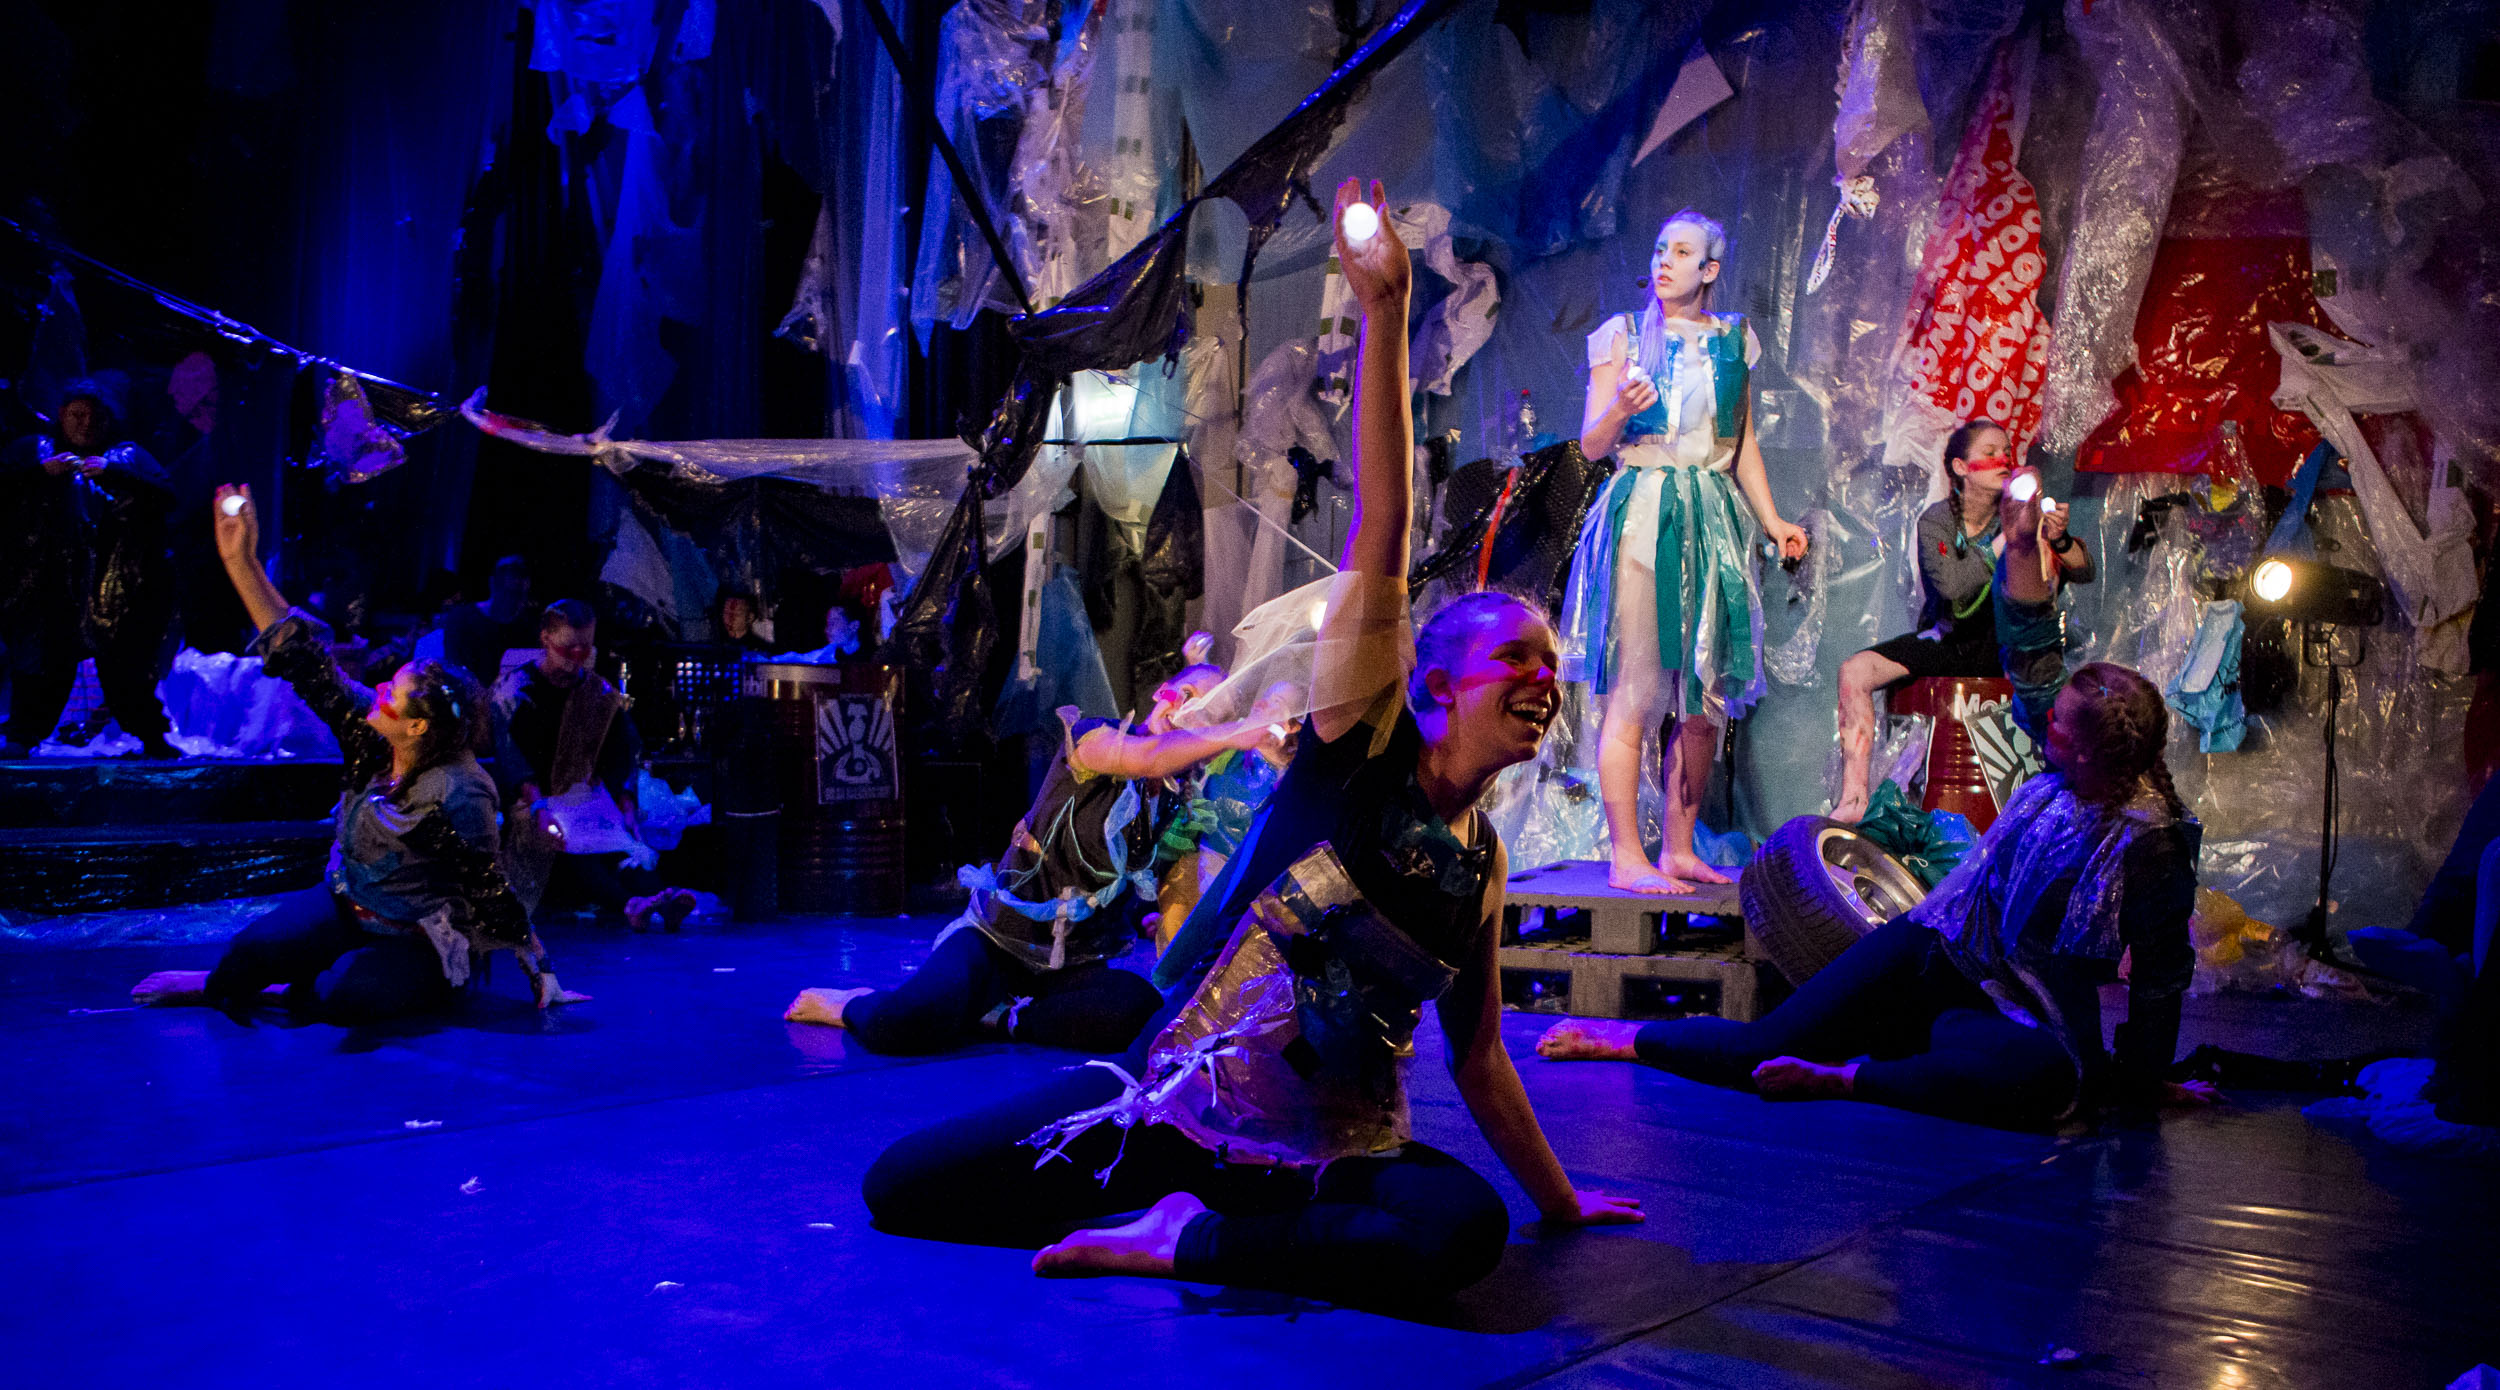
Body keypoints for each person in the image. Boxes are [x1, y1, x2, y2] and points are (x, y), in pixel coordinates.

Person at [859, 178, 1641, 1307]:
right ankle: (1181, 1204)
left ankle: (1187, 1245)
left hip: (1332, 1154)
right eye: (1514, 660)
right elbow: (1382, 530)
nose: (1543, 681)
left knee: (1461, 1235)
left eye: (1551, 668)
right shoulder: (1354, 747)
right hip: (1175, 1112)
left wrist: (1562, 1206)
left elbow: (1478, 1059)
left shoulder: (1482, 865)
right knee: (905, 1188)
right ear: (1433, 687)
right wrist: (1383, 315)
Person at [1537, 489, 2208, 1130]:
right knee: (1760, 1051)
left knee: (2049, 1080)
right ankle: (1625, 1040)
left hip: (2019, 1013)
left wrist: (2143, 1083)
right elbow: (2032, 648)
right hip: (1934, 950)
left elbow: (2160, 980)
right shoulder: (2071, 764)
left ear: (2087, 752)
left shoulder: (2150, 842)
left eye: (2055, 723)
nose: (2041, 720)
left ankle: (1851, 1079)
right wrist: (2024, 543)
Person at [129, 485, 583, 1022]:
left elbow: (486, 881)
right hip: (350, 903)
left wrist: (541, 969)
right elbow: (303, 658)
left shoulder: (460, 791)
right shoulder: (372, 735)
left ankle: (324, 987)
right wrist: (242, 563)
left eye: (391, 692)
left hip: (418, 936)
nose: (377, 691)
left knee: (348, 998)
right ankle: (255, 979)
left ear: (417, 726)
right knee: (247, 955)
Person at [784, 661, 1261, 1055]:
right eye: (1187, 696)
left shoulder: (1179, 809)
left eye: (1209, 713)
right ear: (1163, 694)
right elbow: (1150, 755)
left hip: (1074, 963)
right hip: (999, 941)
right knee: (902, 1025)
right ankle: (853, 1003)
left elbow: (1177, 912)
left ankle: (1002, 1018)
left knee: (1141, 1009)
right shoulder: (1094, 738)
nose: (1190, 713)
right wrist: (1244, 728)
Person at [1564, 211, 1809, 895]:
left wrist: (1772, 521)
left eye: (1681, 251)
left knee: (1705, 697)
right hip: (1646, 510)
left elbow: (1742, 442)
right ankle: (1627, 855)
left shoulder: (1733, 340)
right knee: (1637, 689)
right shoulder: (1622, 335)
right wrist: (1619, 408)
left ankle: (1678, 848)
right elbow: (1591, 442)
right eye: (1658, 249)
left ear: (1709, 269)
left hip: (1714, 518)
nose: (1664, 261)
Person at [1831, 420, 2095, 821]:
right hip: (1949, 640)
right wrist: (2008, 536)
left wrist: (2057, 538)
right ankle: (1854, 801)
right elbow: (1953, 587)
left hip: (2005, 645)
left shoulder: (2024, 514)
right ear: (1959, 467)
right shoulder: (1937, 521)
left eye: (2006, 452)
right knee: (1855, 671)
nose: (2003, 460)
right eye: (1989, 452)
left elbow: (2084, 569)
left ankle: (2066, 811)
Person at [0, 378, 179, 759]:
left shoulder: (126, 456)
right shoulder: (35, 450)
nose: (86, 425)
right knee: (42, 664)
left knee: (125, 665)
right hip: (49, 584)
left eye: (95, 417)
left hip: (114, 585)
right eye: (77, 416)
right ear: (62, 415)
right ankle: (22, 735)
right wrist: (40, 473)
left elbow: (166, 495)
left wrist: (115, 473)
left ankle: (151, 736)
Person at [491, 599, 691, 931]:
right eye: (567, 649)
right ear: (546, 639)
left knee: (627, 845)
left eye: (584, 650)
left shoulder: (598, 694)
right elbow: (511, 757)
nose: (575, 659)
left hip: (586, 801)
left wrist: (626, 805)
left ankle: (658, 899)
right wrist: (540, 807)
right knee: (570, 845)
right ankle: (629, 905)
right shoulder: (515, 692)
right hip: (534, 804)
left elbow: (622, 754)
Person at [431, 555, 537, 685]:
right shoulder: (462, 619)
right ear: (493, 584)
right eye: (507, 593)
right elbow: (454, 669)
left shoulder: (530, 625)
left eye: (518, 594)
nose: (513, 601)